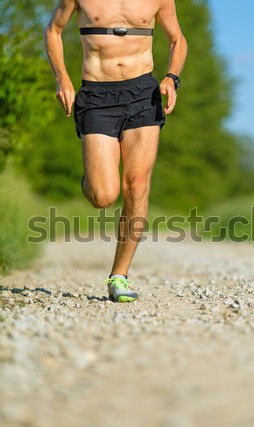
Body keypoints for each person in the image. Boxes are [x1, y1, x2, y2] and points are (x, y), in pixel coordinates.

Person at [45, 0, 187, 302]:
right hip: (97, 95)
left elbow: (177, 39)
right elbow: (53, 30)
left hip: (143, 94)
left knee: (137, 184)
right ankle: (91, 178)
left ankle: (119, 276)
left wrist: (171, 77)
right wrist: (62, 77)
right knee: (103, 196)